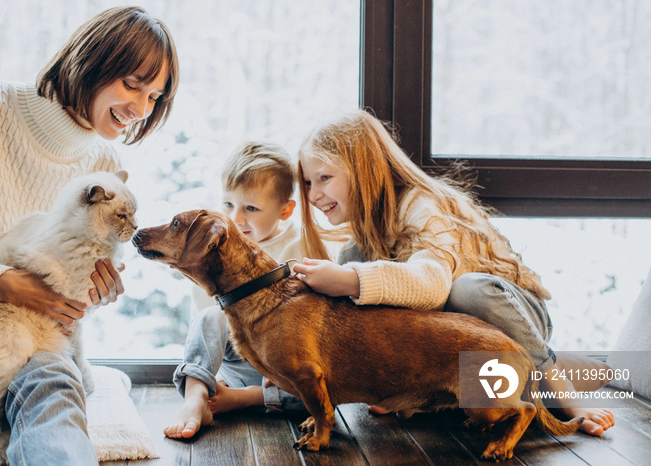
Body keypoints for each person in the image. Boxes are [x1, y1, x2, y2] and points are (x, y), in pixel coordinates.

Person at [291, 109, 615, 437]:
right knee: (358, 273)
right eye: (307, 182)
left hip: (513, 314)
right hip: (465, 351)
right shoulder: (358, 246)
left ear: (364, 170)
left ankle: (560, 387)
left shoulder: (422, 206)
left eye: (324, 178)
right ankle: (426, 397)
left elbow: (434, 285)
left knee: (467, 289)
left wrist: (349, 280)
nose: (314, 194)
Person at [0, 6, 179, 464]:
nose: (139, 108)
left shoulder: (107, 169)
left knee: (53, 387)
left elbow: (62, 307)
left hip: (30, 345)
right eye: (132, 83)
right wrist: (1, 280)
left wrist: (91, 295)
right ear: (91, 60)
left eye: (154, 96)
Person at [163, 142, 307, 440]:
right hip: (237, 363)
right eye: (228, 205)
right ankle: (196, 398)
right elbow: (203, 326)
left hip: (282, 372)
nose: (237, 218)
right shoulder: (215, 245)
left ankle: (246, 398)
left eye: (251, 208)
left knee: (317, 392)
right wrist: (210, 375)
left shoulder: (301, 247)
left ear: (285, 210)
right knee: (210, 317)